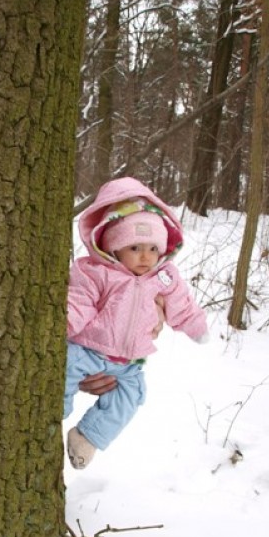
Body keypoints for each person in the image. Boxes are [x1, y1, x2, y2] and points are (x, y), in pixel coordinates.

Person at [64, 176, 208, 469]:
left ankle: (87, 438)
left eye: (153, 249)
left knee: (133, 396)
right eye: (135, 248)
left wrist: (196, 326)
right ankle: (52, 414)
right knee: (63, 370)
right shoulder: (97, 272)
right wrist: (65, 324)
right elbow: (79, 302)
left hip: (127, 364)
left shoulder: (164, 276)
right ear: (113, 247)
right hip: (89, 350)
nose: (146, 257)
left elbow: (182, 305)